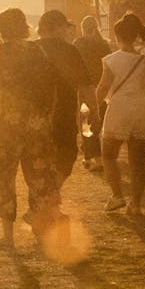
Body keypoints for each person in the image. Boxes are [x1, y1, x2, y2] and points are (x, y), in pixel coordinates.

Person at [0, 8, 60, 247]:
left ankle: (8, 237)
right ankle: (41, 232)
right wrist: (46, 116)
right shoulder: (37, 51)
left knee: (5, 178)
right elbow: (51, 87)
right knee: (38, 178)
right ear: (24, 26)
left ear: (0, 29)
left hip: (8, 125)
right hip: (36, 124)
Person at [96, 13, 145, 215]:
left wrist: (91, 108)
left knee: (108, 155)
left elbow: (103, 88)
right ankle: (136, 204)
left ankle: (117, 196)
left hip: (119, 109)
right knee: (138, 162)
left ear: (117, 36)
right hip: (140, 111)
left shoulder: (111, 60)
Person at [36, 10, 100, 194]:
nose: (66, 31)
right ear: (58, 27)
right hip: (62, 115)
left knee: (38, 161)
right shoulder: (69, 51)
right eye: (64, 27)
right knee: (67, 156)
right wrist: (94, 112)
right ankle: (50, 194)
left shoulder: (31, 49)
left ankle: (45, 196)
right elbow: (85, 87)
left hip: (34, 116)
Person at [73, 15, 111, 171]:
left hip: (84, 88)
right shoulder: (104, 45)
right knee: (96, 123)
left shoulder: (78, 43)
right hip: (102, 87)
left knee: (86, 123)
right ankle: (91, 156)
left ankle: (94, 158)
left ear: (83, 28)